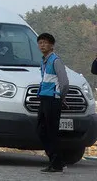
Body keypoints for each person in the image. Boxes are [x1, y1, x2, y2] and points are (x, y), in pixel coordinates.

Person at [36, 32, 70, 173]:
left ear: (51, 45)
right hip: (44, 98)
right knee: (41, 130)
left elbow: (65, 82)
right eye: (40, 42)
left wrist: (61, 98)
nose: (42, 45)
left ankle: (56, 164)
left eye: (45, 42)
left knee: (51, 131)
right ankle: (58, 161)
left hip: (53, 99)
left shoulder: (55, 60)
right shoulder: (44, 61)